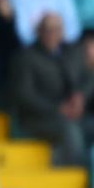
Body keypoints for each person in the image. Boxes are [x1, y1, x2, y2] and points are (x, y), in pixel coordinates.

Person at [10, 12, 88, 166]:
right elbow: (24, 95)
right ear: (39, 32)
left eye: (57, 29)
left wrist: (80, 96)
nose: (53, 34)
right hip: (37, 119)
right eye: (48, 29)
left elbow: (87, 78)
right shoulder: (26, 57)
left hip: (72, 113)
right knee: (69, 129)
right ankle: (75, 174)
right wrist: (57, 108)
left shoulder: (71, 52)